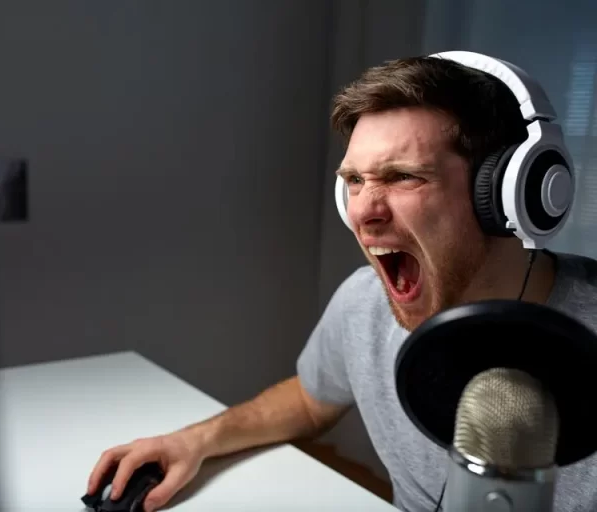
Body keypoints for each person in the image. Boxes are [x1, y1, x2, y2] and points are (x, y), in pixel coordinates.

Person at [86, 55, 597, 512]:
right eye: (354, 181)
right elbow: (311, 400)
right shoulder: (364, 304)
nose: (363, 213)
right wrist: (193, 442)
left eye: (404, 177)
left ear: (508, 195)